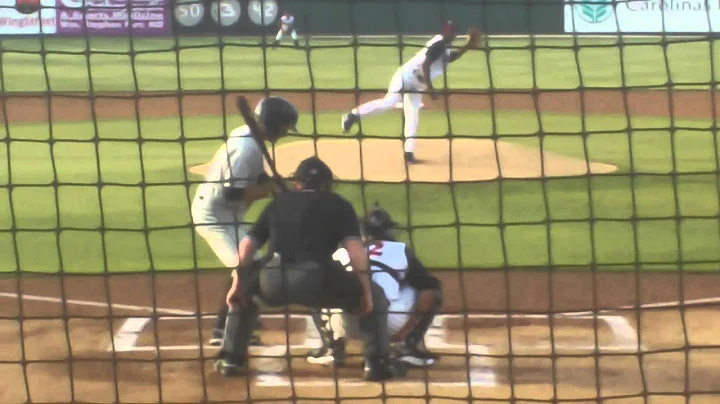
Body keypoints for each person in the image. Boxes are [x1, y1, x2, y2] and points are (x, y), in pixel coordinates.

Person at [214, 157, 406, 382]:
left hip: (273, 280)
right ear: (327, 184)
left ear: (297, 184)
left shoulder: (278, 202)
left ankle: (231, 360)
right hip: (316, 280)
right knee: (377, 295)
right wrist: (366, 292)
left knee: (244, 297)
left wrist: (239, 286)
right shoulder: (338, 204)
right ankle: (377, 364)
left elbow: (247, 246)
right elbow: (356, 252)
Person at [190, 96, 299, 348]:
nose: (284, 133)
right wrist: (268, 188)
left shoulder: (252, 139)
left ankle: (241, 313)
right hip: (215, 218)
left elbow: (253, 175)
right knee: (247, 266)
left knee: (253, 263)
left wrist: (272, 183)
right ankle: (224, 328)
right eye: (284, 128)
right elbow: (232, 192)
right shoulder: (246, 148)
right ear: (273, 124)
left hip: (229, 216)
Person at [306, 203, 442, 368]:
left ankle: (332, 348)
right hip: (388, 323)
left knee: (317, 283)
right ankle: (408, 347)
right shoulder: (400, 249)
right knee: (428, 287)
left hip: (347, 323)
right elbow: (429, 290)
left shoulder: (342, 251)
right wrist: (405, 330)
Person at [340, 20, 476, 164]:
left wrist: (467, 46)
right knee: (388, 102)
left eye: (453, 32)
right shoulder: (439, 44)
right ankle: (353, 115)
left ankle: (409, 153)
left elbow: (449, 58)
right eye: (450, 31)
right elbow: (426, 65)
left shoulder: (445, 46)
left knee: (413, 114)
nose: (452, 34)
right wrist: (432, 91)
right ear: (445, 32)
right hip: (406, 77)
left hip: (418, 84)